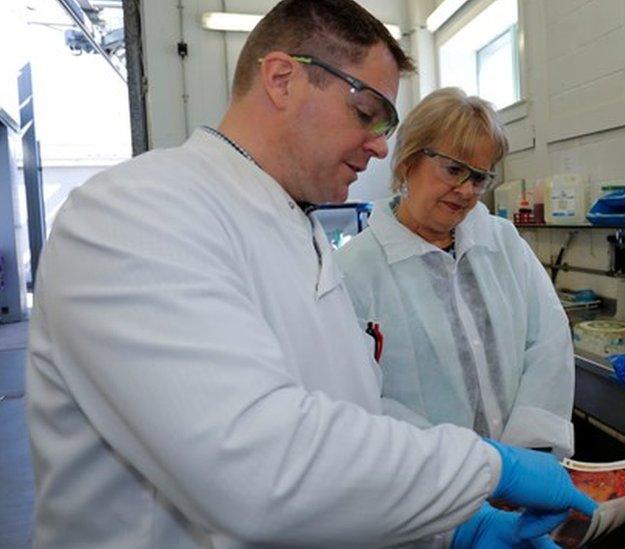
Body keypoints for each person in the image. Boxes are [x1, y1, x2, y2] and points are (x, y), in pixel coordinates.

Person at [26, 1, 595, 547]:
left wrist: (450, 526)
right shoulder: (138, 211)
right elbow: (255, 469)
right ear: (282, 79)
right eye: (367, 113)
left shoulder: (301, 234)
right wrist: (486, 470)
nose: (378, 146)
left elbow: (348, 424)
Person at [335, 88, 576, 458]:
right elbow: (359, 399)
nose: (465, 190)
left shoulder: (503, 244)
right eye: (453, 169)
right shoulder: (356, 270)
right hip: (428, 491)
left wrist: (525, 456)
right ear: (408, 161)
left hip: (525, 468)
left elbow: (548, 344)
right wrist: (462, 470)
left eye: (479, 178)